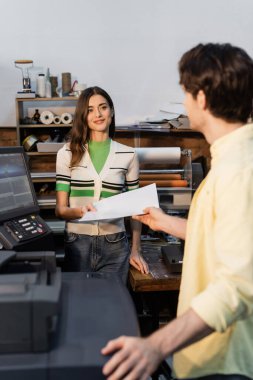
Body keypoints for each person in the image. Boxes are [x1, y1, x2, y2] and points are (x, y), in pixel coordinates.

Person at [101, 43, 253, 379]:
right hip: (207, 354)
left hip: (223, 360)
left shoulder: (240, 172)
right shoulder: (233, 159)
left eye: (185, 93)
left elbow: (238, 286)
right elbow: (222, 235)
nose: (183, 102)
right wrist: (165, 222)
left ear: (201, 98)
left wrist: (155, 345)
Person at [55, 86, 148, 283]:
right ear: (83, 115)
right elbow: (60, 210)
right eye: (90, 110)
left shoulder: (128, 155)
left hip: (115, 245)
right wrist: (81, 211)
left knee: (112, 308)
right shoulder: (67, 153)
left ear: (111, 112)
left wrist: (135, 250)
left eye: (103, 107)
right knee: (79, 307)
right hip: (77, 244)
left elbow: (137, 210)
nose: (97, 114)